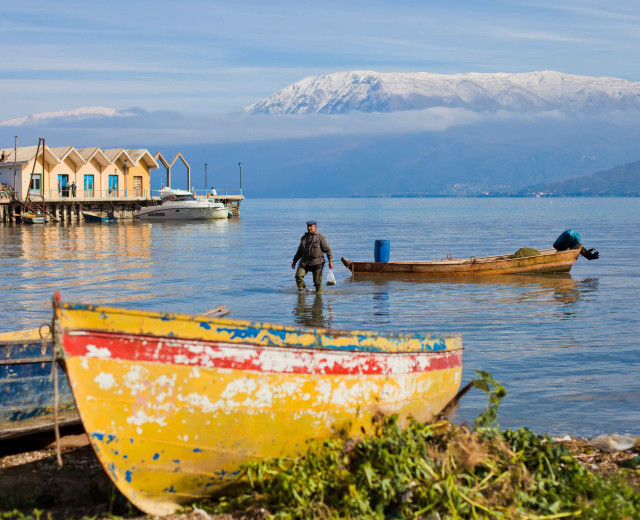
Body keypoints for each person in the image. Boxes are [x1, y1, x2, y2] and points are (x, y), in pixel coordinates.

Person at [291, 221, 333, 292]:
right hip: (304, 261)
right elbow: (299, 251)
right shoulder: (304, 238)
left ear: (315, 227)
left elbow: (328, 250)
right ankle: (302, 291)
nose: (309, 228)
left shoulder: (321, 237)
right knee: (298, 276)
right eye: (308, 226)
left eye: (311, 226)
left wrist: (330, 261)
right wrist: (294, 261)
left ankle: (318, 297)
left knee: (317, 282)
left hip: (317, 262)